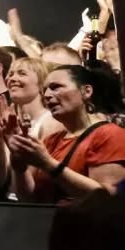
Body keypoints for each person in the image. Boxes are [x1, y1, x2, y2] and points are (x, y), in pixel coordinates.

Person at [8, 65, 125, 202]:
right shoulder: (51, 140)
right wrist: (19, 168)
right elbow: (27, 198)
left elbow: (107, 198)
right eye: (44, 90)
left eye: (55, 87)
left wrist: (49, 164)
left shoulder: (110, 134)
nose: (46, 95)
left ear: (86, 91)